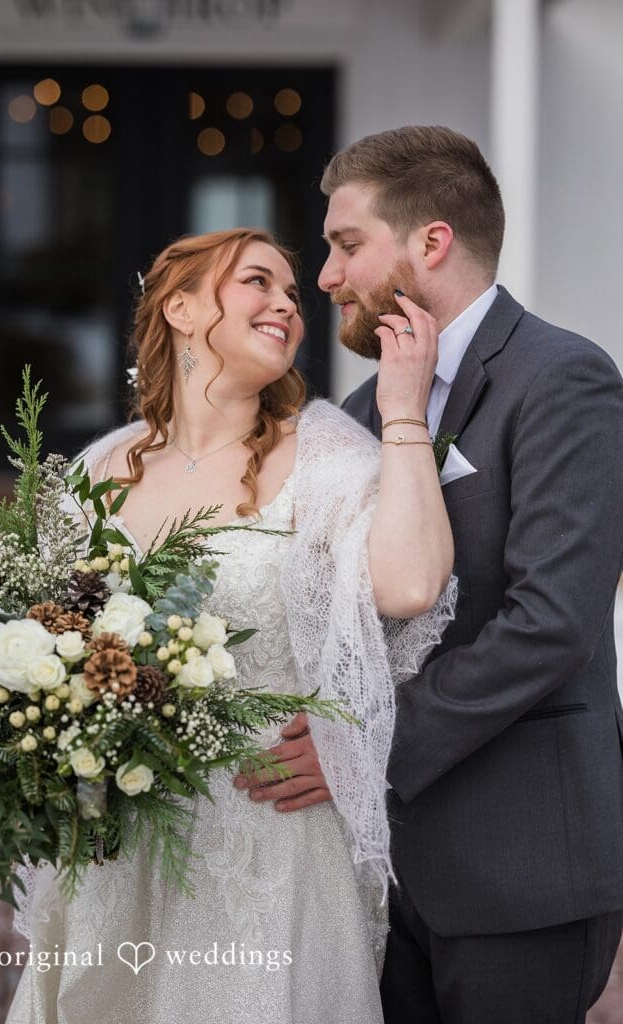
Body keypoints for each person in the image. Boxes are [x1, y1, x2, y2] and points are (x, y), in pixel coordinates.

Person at [6, 227, 456, 1024]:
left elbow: (413, 584)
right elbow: (38, 637)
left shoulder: (323, 454)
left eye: (290, 292)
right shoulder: (95, 471)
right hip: (120, 842)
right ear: (179, 308)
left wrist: (401, 411)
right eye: (258, 282)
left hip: (267, 842)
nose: (286, 303)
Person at [312, 124, 623, 1023]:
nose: (326, 276)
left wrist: (363, 750)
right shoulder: (364, 408)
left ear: (431, 242)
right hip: (383, 875)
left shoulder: (563, 378)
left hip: (522, 865)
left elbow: (551, 623)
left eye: (345, 245)